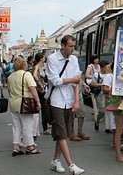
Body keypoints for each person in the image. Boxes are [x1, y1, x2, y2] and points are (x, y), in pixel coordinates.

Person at [45, 35, 85, 175]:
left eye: (74, 46)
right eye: (70, 46)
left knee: (64, 134)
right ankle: (71, 165)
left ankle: (56, 160)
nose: (73, 49)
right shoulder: (52, 59)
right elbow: (55, 80)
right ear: (62, 46)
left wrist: (76, 100)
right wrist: (73, 79)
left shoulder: (73, 60)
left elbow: (77, 81)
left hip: (68, 101)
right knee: (62, 134)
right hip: (56, 100)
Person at [102, 61, 123, 163]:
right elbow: (105, 89)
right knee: (119, 130)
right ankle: (118, 155)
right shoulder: (110, 76)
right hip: (117, 103)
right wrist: (116, 89)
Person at [7, 57, 41, 156]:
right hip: (24, 103)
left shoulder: (11, 76)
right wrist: (37, 101)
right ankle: (30, 146)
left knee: (16, 126)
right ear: (23, 65)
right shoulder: (26, 75)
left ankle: (16, 147)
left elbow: (9, 90)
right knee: (27, 125)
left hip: (13, 103)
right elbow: (32, 89)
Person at [69, 50, 90, 142]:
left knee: (82, 112)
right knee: (72, 115)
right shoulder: (68, 67)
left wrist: (84, 84)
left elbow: (79, 78)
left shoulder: (76, 66)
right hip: (70, 93)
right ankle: (72, 133)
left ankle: (80, 132)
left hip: (79, 93)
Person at [84, 54, 104, 132]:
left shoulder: (99, 66)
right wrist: (94, 77)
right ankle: (96, 118)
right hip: (94, 87)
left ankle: (99, 117)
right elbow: (86, 75)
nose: (97, 60)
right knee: (95, 104)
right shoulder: (90, 66)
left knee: (101, 103)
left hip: (100, 86)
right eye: (96, 59)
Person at [33, 52, 50, 135]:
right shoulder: (36, 67)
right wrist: (40, 84)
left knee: (44, 108)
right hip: (38, 89)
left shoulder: (44, 66)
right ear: (41, 58)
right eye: (43, 57)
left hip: (43, 89)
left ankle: (44, 127)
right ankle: (37, 129)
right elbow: (35, 76)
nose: (45, 58)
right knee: (39, 108)